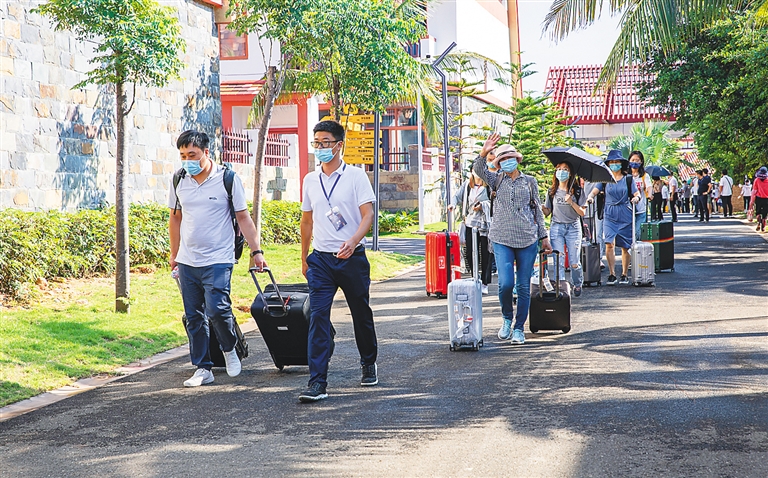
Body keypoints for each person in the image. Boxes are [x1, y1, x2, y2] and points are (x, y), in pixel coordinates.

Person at [169, 130, 267, 388]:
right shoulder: (179, 179)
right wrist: (174, 253)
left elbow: (244, 217)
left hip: (219, 258)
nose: (187, 160)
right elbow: (175, 217)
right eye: (183, 155)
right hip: (188, 259)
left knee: (217, 309)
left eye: (192, 155)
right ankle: (203, 367)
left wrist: (256, 252)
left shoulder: (227, 179)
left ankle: (229, 348)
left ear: (206, 153)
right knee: (194, 316)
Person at [299, 120, 378, 403]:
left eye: (325, 142)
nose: (320, 148)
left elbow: (367, 215)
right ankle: (317, 382)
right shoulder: (310, 180)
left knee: (361, 313)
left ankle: (369, 361)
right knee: (318, 317)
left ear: (339, 145)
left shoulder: (355, 177)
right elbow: (306, 220)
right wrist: (305, 256)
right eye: (316, 142)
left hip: (352, 258)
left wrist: (353, 241)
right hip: (321, 260)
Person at [474, 133, 552, 345]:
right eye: (502, 159)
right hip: (501, 237)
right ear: (499, 162)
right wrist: (484, 150)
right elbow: (478, 169)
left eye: (510, 158)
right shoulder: (495, 178)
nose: (507, 161)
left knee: (524, 286)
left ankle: (519, 328)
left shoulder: (530, 182)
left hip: (527, 238)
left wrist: (543, 237)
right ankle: (507, 318)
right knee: (506, 284)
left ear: (517, 159)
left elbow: (537, 210)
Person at [586, 150, 641, 285]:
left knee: (625, 245)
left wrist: (636, 198)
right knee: (609, 243)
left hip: (625, 213)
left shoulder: (628, 179)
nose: (614, 164)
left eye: (617, 162)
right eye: (612, 162)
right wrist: (590, 197)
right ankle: (612, 274)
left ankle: (623, 274)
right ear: (608, 164)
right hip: (609, 214)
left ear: (621, 164)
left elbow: (636, 193)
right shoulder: (605, 178)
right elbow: (595, 190)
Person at [541, 162, 587, 297]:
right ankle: (560, 287)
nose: (561, 172)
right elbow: (548, 212)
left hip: (573, 227)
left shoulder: (577, 191)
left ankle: (577, 283)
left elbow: (582, 213)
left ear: (570, 173)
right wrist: (542, 208)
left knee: (574, 262)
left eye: (565, 169)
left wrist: (571, 202)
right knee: (558, 259)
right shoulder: (552, 191)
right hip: (557, 227)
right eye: (559, 169)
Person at [449, 171, 492, 294]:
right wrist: (452, 204)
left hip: (485, 224)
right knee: (469, 252)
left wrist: (483, 206)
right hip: (470, 222)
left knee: (486, 253)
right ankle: (475, 277)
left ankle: (484, 282)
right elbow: (457, 196)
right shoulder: (467, 185)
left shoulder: (488, 186)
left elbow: (494, 202)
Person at [629, 151, 652, 239]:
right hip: (628, 209)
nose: (635, 162)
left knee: (638, 233)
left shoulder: (644, 176)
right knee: (629, 233)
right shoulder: (626, 175)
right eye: (633, 160)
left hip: (641, 208)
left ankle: (637, 251)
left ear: (641, 162)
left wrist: (649, 194)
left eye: (637, 160)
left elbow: (649, 186)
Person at [750, 166, 768, 232]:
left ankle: (759, 221)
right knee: (765, 213)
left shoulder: (757, 180)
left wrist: (751, 202)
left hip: (758, 198)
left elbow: (754, 191)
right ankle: (763, 225)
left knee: (758, 212)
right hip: (766, 199)